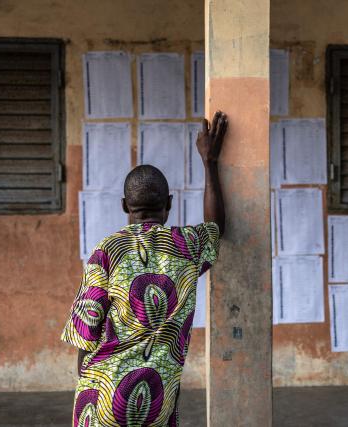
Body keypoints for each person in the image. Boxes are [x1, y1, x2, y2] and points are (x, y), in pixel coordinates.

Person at [60, 111, 228, 426]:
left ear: (125, 206)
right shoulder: (186, 247)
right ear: (169, 202)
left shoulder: (107, 250)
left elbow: (86, 332)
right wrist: (210, 162)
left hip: (102, 392)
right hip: (155, 395)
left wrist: (86, 378)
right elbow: (217, 226)